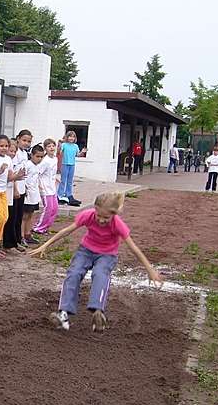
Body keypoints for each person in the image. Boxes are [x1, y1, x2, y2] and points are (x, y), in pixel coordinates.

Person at [28, 192, 162, 332]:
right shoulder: (88, 215)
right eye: (99, 215)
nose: (101, 220)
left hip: (107, 255)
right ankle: (63, 314)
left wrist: (149, 269)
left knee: (100, 274)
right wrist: (45, 245)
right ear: (95, 209)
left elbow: (133, 248)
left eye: (106, 218)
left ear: (114, 214)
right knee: (73, 273)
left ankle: (98, 312)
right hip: (86, 251)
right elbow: (66, 231)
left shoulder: (117, 224)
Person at [2, 139, 27, 252]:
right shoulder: (4, 161)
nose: (12, 153)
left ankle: (14, 242)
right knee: (8, 218)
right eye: (10, 150)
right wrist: (17, 178)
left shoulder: (10, 161)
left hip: (11, 191)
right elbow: (10, 178)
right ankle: (8, 243)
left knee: (14, 217)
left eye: (14, 151)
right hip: (6, 192)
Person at [32, 138, 60, 236]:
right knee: (48, 208)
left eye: (53, 145)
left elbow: (52, 173)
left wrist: (56, 178)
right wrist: (39, 185)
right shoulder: (45, 161)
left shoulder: (55, 159)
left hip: (52, 188)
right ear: (45, 149)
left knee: (55, 209)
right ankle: (38, 228)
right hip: (45, 189)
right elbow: (38, 173)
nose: (51, 148)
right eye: (49, 146)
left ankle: (46, 227)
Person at [21, 144, 45, 245]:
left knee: (31, 214)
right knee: (24, 216)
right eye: (37, 156)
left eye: (41, 157)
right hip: (27, 195)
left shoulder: (38, 166)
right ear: (32, 155)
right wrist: (24, 189)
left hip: (34, 194)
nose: (39, 159)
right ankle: (21, 235)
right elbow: (24, 179)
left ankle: (28, 233)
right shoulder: (27, 165)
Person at [57, 131, 81, 206]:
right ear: (67, 137)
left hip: (72, 165)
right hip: (65, 164)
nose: (71, 138)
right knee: (63, 181)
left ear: (75, 138)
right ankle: (60, 195)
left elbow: (78, 155)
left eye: (73, 137)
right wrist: (59, 146)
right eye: (70, 136)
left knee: (70, 181)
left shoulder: (76, 146)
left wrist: (82, 152)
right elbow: (59, 153)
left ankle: (69, 195)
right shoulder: (64, 145)